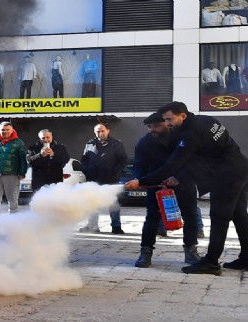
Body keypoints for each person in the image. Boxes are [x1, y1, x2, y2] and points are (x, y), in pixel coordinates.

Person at [125, 101, 248, 275]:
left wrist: (142, 182)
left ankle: (211, 263)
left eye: (169, 119)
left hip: (226, 175)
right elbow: (200, 156)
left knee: (219, 216)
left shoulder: (190, 135)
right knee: (239, 214)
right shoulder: (206, 119)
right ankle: (246, 258)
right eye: (165, 120)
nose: (167, 124)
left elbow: (173, 164)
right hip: (239, 167)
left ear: (182, 115)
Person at [132, 112, 201, 268]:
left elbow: (193, 161)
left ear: (167, 123)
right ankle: (145, 252)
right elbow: (138, 164)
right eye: (150, 127)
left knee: (190, 216)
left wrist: (177, 177)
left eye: (156, 126)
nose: (152, 130)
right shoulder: (144, 143)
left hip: (183, 182)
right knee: (151, 218)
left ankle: (191, 251)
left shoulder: (182, 139)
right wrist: (140, 179)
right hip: (155, 186)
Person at [79, 122, 128, 234]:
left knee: (113, 203)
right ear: (94, 132)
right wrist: (86, 169)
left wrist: (114, 170)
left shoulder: (116, 144)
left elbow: (123, 160)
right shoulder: (89, 144)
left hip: (110, 179)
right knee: (92, 203)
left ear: (108, 131)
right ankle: (93, 226)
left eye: (102, 131)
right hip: (93, 179)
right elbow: (84, 159)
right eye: (98, 131)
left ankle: (116, 227)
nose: (100, 133)